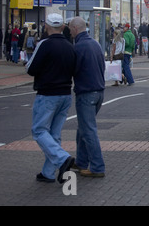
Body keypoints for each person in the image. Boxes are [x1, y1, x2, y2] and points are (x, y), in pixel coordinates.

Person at [26, 13, 76, 183]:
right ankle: (48, 172)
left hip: (47, 93)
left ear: (46, 27)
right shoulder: (70, 46)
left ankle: (62, 159)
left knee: (39, 130)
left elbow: (31, 68)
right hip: (65, 93)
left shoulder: (44, 44)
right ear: (63, 27)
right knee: (54, 133)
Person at [69, 17, 106, 178]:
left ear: (75, 29)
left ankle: (97, 167)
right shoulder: (95, 44)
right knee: (83, 129)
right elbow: (102, 66)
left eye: (70, 29)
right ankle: (81, 161)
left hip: (86, 92)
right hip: (99, 91)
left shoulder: (78, 47)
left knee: (88, 131)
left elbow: (73, 69)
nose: (69, 32)